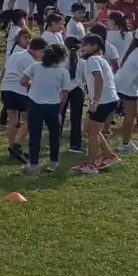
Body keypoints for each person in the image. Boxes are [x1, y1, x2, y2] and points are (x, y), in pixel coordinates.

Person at [71, 35, 121, 175]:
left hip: (103, 101)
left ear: (94, 46)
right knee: (89, 128)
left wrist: (96, 101)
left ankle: (91, 165)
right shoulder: (99, 59)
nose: (83, 48)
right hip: (110, 99)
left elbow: (99, 78)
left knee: (92, 132)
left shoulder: (93, 60)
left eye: (86, 45)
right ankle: (109, 155)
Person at [19, 43, 70, 174]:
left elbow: (23, 81)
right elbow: (64, 95)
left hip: (35, 104)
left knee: (35, 135)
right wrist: (60, 108)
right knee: (54, 135)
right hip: (53, 105)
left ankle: (34, 165)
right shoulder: (63, 72)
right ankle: (53, 163)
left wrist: (32, 85)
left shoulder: (35, 66)